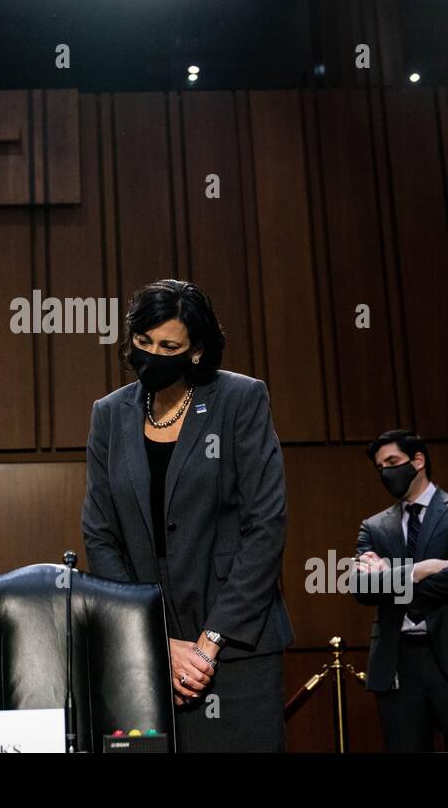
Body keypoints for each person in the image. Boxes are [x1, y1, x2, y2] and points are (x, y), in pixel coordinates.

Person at [81, 279, 293, 752]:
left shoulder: (240, 399)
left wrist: (207, 642)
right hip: (143, 652)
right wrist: (154, 637)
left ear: (195, 350)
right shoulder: (110, 414)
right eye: (143, 343)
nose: (153, 355)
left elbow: (266, 525)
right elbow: (100, 535)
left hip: (237, 647)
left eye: (169, 346)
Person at [353, 429, 448, 751]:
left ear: (418, 460)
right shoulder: (373, 526)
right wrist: (419, 571)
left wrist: (389, 577)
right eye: (380, 467)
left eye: (393, 461)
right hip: (397, 661)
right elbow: (361, 589)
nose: (386, 472)